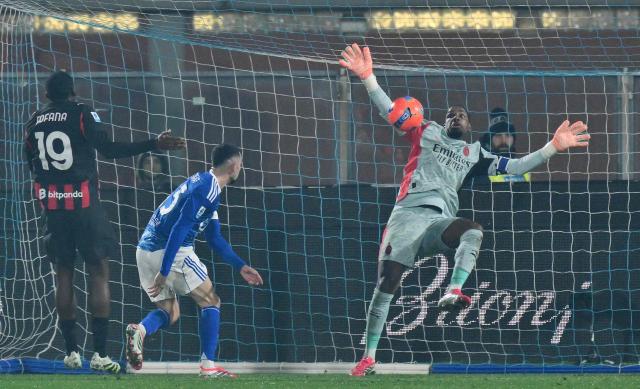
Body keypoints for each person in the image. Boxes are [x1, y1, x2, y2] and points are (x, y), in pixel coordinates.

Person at [338, 43, 590, 376]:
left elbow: (517, 166)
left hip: (438, 222)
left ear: (469, 126)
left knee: (472, 230)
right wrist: (368, 77)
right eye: (450, 114)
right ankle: (368, 356)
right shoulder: (425, 131)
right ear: (443, 122)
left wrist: (552, 147)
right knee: (387, 283)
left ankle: (454, 288)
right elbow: (390, 110)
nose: (455, 117)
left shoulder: (475, 154)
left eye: (462, 115)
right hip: (406, 217)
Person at [23, 71, 185, 372]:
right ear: (73, 92)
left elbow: (29, 161)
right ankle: (99, 354)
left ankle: (71, 352)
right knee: (98, 271)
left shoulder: (34, 121)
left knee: (63, 273)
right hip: (84, 205)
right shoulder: (83, 113)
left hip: (53, 209)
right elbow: (110, 150)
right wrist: (153, 143)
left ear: (47, 96)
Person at [125, 143, 264, 378]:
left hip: (144, 250)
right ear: (232, 165)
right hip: (170, 250)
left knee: (171, 313)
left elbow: (214, 237)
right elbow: (180, 227)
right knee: (211, 300)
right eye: (240, 163)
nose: (241, 167)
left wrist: (240, 266)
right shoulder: (208, 189)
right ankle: (208, 367)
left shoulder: (204, 183)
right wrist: (165, 268)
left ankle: (140, 330)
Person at [481, 107, 530, 182]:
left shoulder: (522, 169)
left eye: (507, 135)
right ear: (489, 140)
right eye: (498, 135)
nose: (503, 140)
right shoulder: (477, 168)